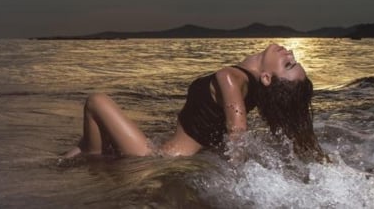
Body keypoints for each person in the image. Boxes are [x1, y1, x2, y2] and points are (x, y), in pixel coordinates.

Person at [62, 43, 326, 162]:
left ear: (268, 78)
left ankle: (91, 155)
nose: (289, 52)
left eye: (289, 64)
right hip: (176, 156)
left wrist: (240, 176)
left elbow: (238, 130)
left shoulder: (231, 78)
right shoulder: (251, 88)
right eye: (293, 58)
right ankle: (93, 152)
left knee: (96, 101)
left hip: (157, 158)